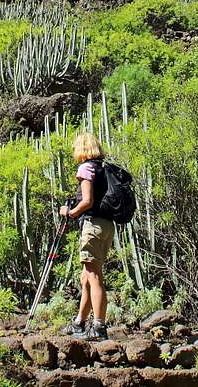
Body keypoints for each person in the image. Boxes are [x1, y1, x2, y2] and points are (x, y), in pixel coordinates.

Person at [59, 132, 114, 340]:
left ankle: (99, 326)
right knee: (86, 278)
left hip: (93, 225)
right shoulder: (104, 168)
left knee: (94, 276)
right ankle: (79, 322)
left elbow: (87, 201)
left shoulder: (86, 168)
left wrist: (70, 213)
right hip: (107, 225)